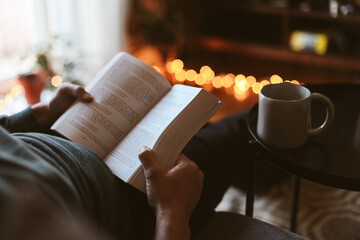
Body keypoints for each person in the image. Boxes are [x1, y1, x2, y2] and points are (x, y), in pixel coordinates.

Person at [0, 83, 255, 239]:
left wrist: (44, 112)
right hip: (138, 197)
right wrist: (172, 213)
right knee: (243, 127)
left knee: (197, 125)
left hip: (74, 137)